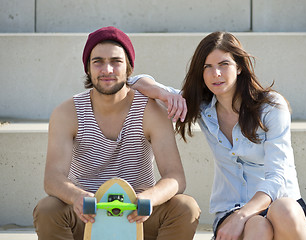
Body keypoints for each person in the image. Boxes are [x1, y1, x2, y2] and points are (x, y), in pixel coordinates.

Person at [131, 31, 306, 240]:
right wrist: (166, 94)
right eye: (207, 67)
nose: (215, 73)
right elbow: (133, 81)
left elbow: (278, 176)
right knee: (257, 226)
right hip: (231, 209)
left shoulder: (271, 106)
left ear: (240, 67)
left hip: (280, 206)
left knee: (283, 209)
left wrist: (242, 215)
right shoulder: (203, 108)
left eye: (224, 64)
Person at [32, 26, 200, 240]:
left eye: (116, 61)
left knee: (186, 207)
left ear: (129, 68)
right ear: (88, 68)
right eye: (98, 62)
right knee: (48, 209)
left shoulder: (151, 111)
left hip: (137, 217)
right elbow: (53, 178)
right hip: (87, 216)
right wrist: (77, 197)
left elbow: (175, 177)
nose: (107, 70)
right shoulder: (67, 112)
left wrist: (149, 198)